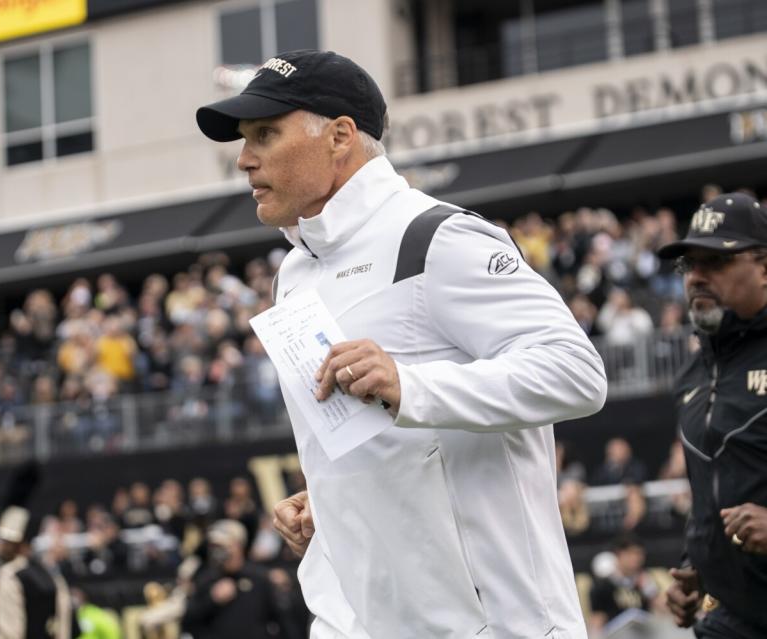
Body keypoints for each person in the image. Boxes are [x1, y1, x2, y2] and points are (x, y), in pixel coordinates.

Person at [196, 49, 607, 637]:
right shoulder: (296, 272)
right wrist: (330, 497)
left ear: (340, 136)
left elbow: (577, 373)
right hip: (361, 618)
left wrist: (409, 385)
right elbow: (378, 441)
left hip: (495, 623)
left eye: (265, 134)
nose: (244, 159)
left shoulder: (436, 236)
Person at [658, 192, 767, 638]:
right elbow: (711, 491)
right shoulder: (691, 375)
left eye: (715, 262)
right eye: (689, 265)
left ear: (764, 267)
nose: (697, 277)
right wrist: (695, 563)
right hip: (733, 620)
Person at [181, 519, 281, 639]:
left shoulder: (259, 577)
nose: (217, 550)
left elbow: (279, 619)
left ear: (238, 545)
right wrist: (212, 600)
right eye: (213, 545)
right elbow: (188, 622)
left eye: (223, 545)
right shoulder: (206, 578)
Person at [0, 506, 74, 639]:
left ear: (17, 542)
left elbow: (9, 633)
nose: (2, 546)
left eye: (6, 541)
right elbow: (63, 627)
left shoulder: (9, 574)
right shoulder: (51, 574)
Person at [588, 535, 659, 633]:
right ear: (618, 555)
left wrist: (651, 592)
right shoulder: (604, 584)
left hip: (643, 633)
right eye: (630, 553)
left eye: (639, 554)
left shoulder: (645, 580)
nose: (635, 558)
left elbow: (663, 613)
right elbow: (597, 619)